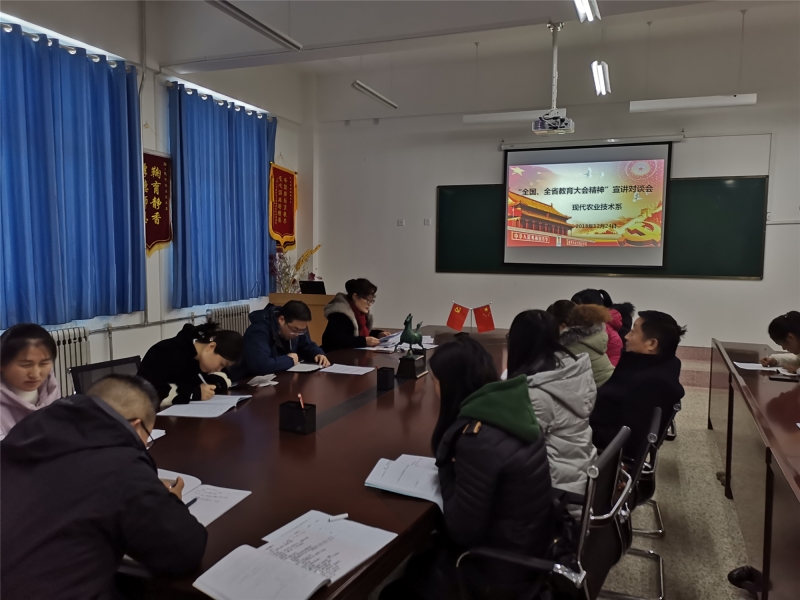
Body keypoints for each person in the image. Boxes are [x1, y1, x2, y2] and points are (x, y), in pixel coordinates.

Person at [1, 375, 207, 600]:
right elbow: (182, 553)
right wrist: (171, 501)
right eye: (148, 437)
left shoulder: (21, 438)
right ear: (136, 426)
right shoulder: (121, 465)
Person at [381, 337, 554, 600]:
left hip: (501, 571)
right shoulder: (511, 409)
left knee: (394, 593)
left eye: (435, 382)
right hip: (530, 545)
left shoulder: (478, 439)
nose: (432, 389)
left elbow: (460, 529)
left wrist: (446, 466)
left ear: (451, 385)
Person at [507, 309, 598, 498]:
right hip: (582, 473)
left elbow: (511, 449)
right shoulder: (573, 371)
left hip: (558, 494)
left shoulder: (536, 394)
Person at [590, 310, 686, 460]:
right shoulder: (654, 366)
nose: (627, 336)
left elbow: (627, 440)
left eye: (633, 332)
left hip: (598, 449)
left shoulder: (649, 383)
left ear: (651, 344)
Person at [138, 321, 242, 407]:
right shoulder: (163, 352)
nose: (219, 369)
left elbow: (224, 376)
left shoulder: (204, 362)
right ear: (211, 347)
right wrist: (193, 393)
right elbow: (150, 395)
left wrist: (211, 387)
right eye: (222, 364)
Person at [231, 300, 330, 380]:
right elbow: (260, 365)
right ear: (281, 320)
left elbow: (306, 344)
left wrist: (318, 353)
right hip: (247, 384)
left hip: (278, 379)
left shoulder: (295, 330)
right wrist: (289, 360)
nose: (297, 334)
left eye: (301, 331)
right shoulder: (258, 331)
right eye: (295, 330)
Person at [1, 323, 61, 436]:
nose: (35, 374)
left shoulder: (51, 390)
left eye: (44, 363)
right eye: (26, 365)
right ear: (2, 364)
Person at [548, 300, 615, 387]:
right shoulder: (593, 335)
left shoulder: (566, 347)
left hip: (599, 390)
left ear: (563, 327)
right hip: (612, 380)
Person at [321, 278, 390, 352]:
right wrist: (364, 341)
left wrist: (378, 334)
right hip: (334, 356)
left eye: (371, 301)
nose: (370, 304)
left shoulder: (359, 314)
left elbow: (357, 333)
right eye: (368, 300)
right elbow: (336, 341)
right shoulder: (340, 314)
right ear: (355, 297)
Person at [571, 288, 625, 366]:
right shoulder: (603, 323)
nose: (574, 311)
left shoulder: (600, 328)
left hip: (606, 368)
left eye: (577, 307)